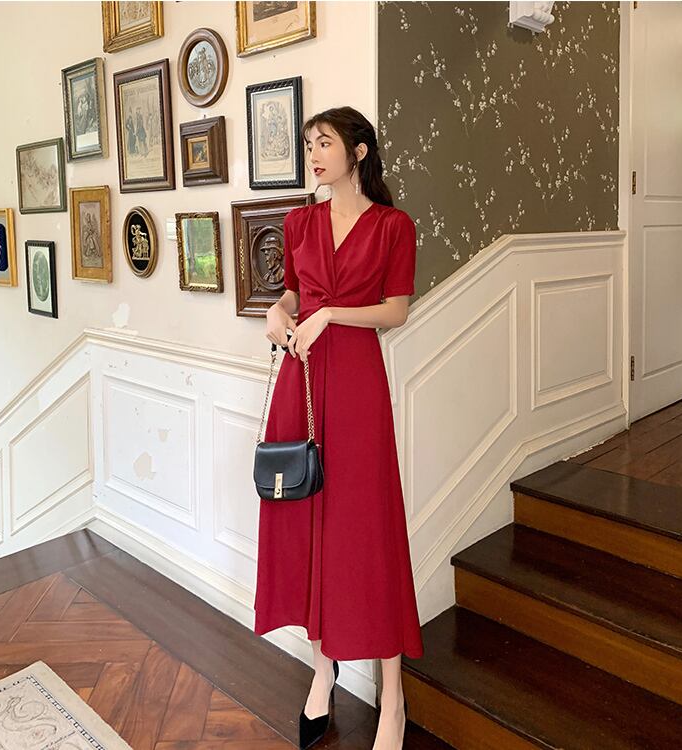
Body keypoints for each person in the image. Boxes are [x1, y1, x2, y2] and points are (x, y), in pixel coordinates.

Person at [255, 106, 422, 750]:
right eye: (308, 145)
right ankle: (323, 672)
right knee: (311, 523)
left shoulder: (393, 226)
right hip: (301, 383)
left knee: (367, 530)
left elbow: (396, 311)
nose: (313, 155)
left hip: (356, 387)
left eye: (323, 143)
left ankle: (393, 697)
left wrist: (332, 315)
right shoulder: (300, 221)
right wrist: (279, 311)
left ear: (358, 151)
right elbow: (295, 294)